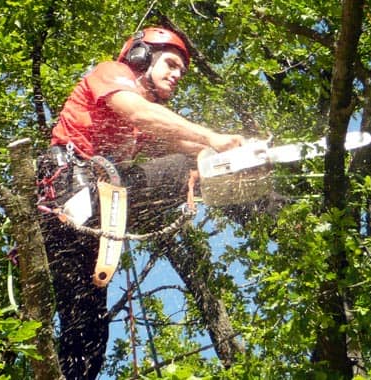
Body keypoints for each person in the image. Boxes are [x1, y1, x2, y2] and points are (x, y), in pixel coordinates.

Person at [36, 26, 245, 380]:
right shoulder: (112, 75)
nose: (177, 75)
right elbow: (139, 113)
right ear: (141, 56)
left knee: (88, 333)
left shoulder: (145, 127)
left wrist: (238, 151)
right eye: (171, 64)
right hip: (73, 195)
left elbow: (185, 145)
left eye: (181, 70)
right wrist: (212, 138)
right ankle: (271, 210)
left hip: (82, 223)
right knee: (190, 169)